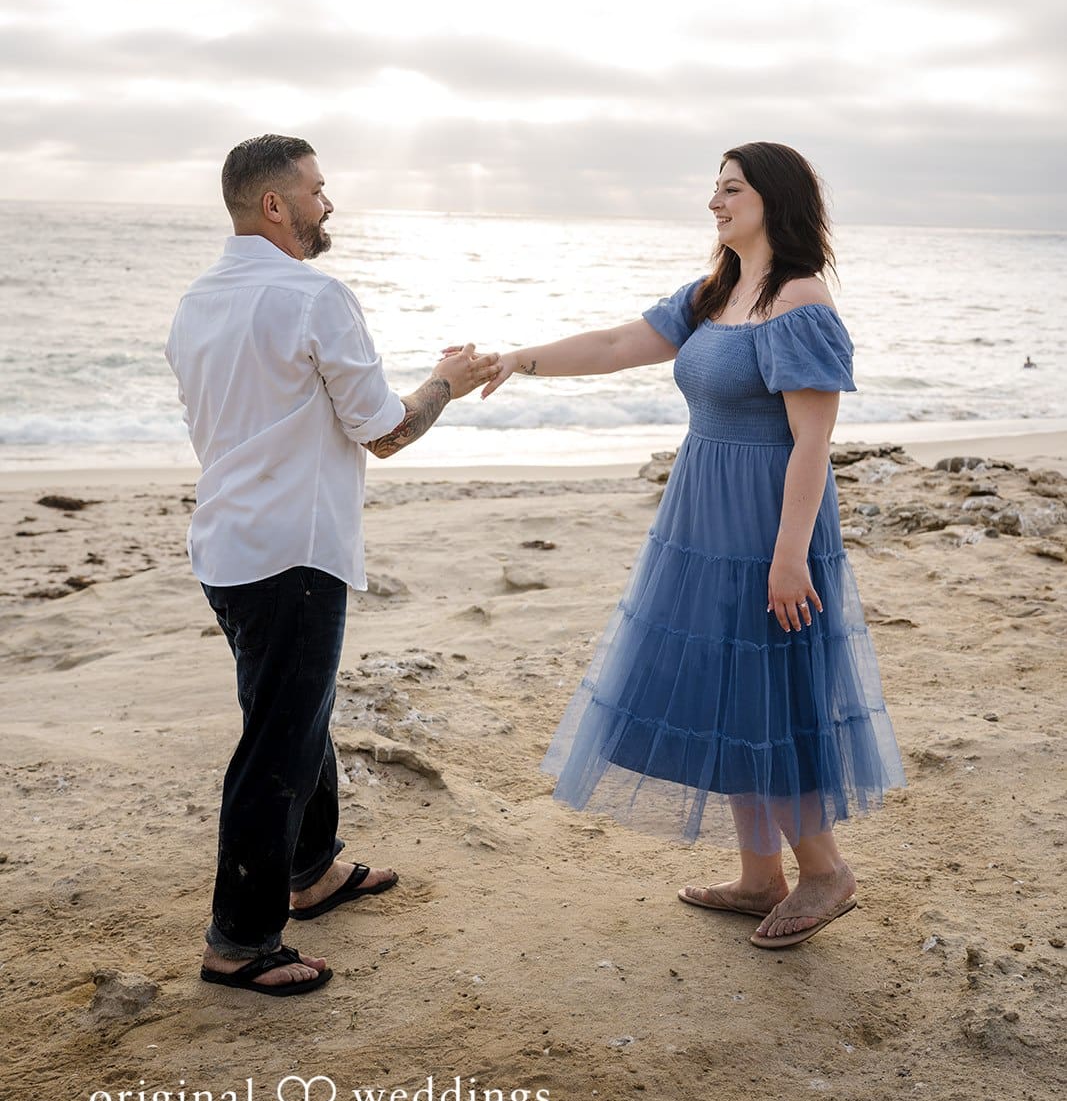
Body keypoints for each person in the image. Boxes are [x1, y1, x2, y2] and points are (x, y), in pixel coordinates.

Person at [482, 143, 905, 948]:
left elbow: (812, 443)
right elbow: (614, 346)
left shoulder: (799, 302)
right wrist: (517, 360)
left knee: (766, 686)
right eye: (712, 189)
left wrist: (788, 557)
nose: (714, 202)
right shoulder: (716, 291)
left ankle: (825, 871)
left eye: (731, 189)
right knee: (725, 682)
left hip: (768, 524)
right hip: (700, 517)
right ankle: (758, 878)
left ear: (772, 199)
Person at [165, 134, 499, 995]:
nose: (327, 203)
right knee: (278, 739)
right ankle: (238, 943)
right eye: (316, 190)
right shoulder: (315, 296)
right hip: (292, 552)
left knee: (295, 712)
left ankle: (310, 872)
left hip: (227, 547)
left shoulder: (197, 301)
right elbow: (382, 429)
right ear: (275, 205)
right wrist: (447, 382)